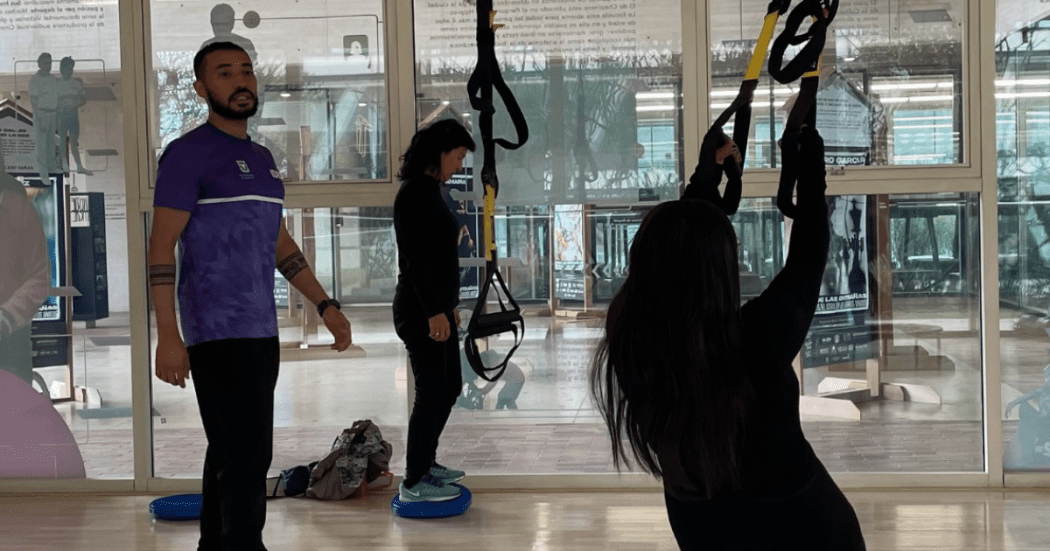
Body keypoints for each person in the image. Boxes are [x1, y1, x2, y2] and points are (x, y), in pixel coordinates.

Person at [590, 127, 866, 550]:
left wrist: (706, 177)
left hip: (703, 527)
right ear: (719, 273)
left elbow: (679, 253)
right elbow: (809, 255)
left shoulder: (631, 339)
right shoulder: (757, 337)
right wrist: (810, 169)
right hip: (803, 529)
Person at [149, 41, 353, 551]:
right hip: (215, 331)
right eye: (224, 73)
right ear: (201, 89)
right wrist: (168, 336)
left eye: (246, 72)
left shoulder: (261, 159)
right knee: (246, 457)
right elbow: (160, 248)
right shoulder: (186, 155)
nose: (240, 81)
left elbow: (278, 241)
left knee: (228, 453)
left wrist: (324, 305)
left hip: (261, 330)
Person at [392, 118, 476, 502]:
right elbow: (416, 262)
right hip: (418, 310)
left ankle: (427, 462)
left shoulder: (431, 191)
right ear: (439, 153)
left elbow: (439, 259)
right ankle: (414, 480)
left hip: (437, 309)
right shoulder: (413, 194)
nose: (458, 165)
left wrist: (449, 307)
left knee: (451, 387)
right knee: (432, 392)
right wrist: (433, 312)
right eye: (457, 157)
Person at [0, 151, 50, 386]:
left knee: (12, 416)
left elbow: (40, 276)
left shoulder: (18, 209)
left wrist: (7, 317)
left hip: (9, 337)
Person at [55, 57, 92, 176]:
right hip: (61, 116)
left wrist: (74, 104)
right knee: (62, 140)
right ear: (62, 69)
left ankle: (79, 166)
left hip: (73, 116)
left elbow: (83, 100)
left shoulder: (76, 83)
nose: (69, 72)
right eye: (67, 69)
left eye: (71, 69)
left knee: (73, 141)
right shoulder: (57, 84)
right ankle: (64, 163)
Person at [29, 52, 59, 186]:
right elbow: (34, 100)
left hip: (53, 114)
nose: (48, 66)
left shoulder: (53, 79)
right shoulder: (34, 80)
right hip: (41, 114)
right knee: (42, 145)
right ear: (39, 64)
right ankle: (44, 174)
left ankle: (52, 168)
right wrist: (39, 117)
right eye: (46, 63)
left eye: (50, 63)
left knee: (51, 143)